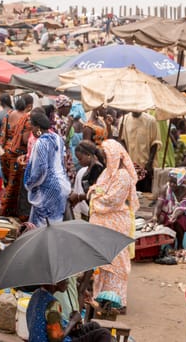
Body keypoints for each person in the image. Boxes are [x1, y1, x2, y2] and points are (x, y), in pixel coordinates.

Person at [88, 140, 138, 310]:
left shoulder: (123, 176)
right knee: (103, 263)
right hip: (104, 224)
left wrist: (95, 196)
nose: (104, 159)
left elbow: (112, 200)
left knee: (116, 264)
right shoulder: (109, 173)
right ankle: (102, 297)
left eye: (106, 156)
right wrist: (97, 193)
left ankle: (116, 301)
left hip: (115, 223)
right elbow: (98, 188)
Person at [24, 112, 72, 227]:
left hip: (47, 189)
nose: (32, 131)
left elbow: (41, 169)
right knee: (56, 224)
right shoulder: (57, 138)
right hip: (62, 186)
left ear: (38, 127)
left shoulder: (41, 143)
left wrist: (29, 184)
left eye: (32, 127)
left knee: (42, 227)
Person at [26, 279, 112, 342]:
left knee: (94, 325)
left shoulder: (37, 294)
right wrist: (72, 322)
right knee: (104, 333)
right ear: (55, 282)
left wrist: (69, 325)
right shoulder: (52, 304)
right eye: (65, 279)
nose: (68, 282)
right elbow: (56, 339)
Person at [0, 98, 31, 217]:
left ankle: (8, 210)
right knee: (13, 185)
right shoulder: (26, 118)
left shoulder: (8, 114)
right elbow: (25, 139)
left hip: (6, 151)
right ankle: (3, 210)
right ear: (28, 106)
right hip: (17, 154)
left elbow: (2, 134)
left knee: (8, 183)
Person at [151, 168, 186, 250]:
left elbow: (183, 207)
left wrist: (175, 216)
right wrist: (155, 216)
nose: (172, 184)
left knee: (180, 221)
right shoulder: (165, 188)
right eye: (170, 181)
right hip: (167, 211)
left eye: (175, 182)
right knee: (160, 218)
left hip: (181, 213)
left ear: (181, 182)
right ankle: (160, 246)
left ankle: (180, 245)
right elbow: (159, 205)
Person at [119, 111, 161, 192]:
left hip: (146, 166)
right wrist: (126, 161)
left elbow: (155, 143)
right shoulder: (123, 120)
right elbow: (122, 140)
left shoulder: (151, 120)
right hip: (131, 167)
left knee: (146, 194)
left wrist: (149, 163)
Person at [68, 140, 105, 220]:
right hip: (92, 207)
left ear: (88, 155)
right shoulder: (89, 168)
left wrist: (79, 197)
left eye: (80, 159)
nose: (79, 162)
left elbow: (98, 192)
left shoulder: (97, 169)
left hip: (98, 210)